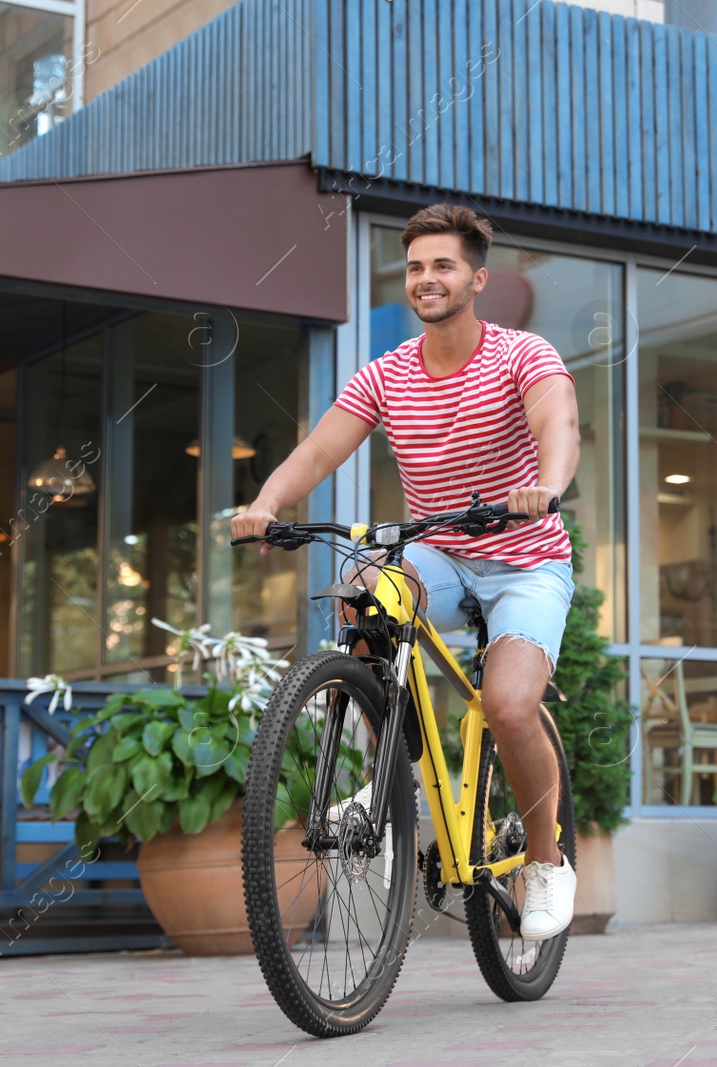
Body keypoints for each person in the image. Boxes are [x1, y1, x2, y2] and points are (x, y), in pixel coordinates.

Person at [229, 203, 580, 940]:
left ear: (476, 278)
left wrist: (544, 485)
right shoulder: (387, 374)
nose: (427, 278)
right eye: (416, 267)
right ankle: (383, 785)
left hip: (525, 560)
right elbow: (319, 451)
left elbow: (559, 423)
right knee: (364, 594)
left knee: (509, 705)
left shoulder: (523, 354)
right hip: (438, 552)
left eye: (443, 265)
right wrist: (266, 502)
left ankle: (545, 862)